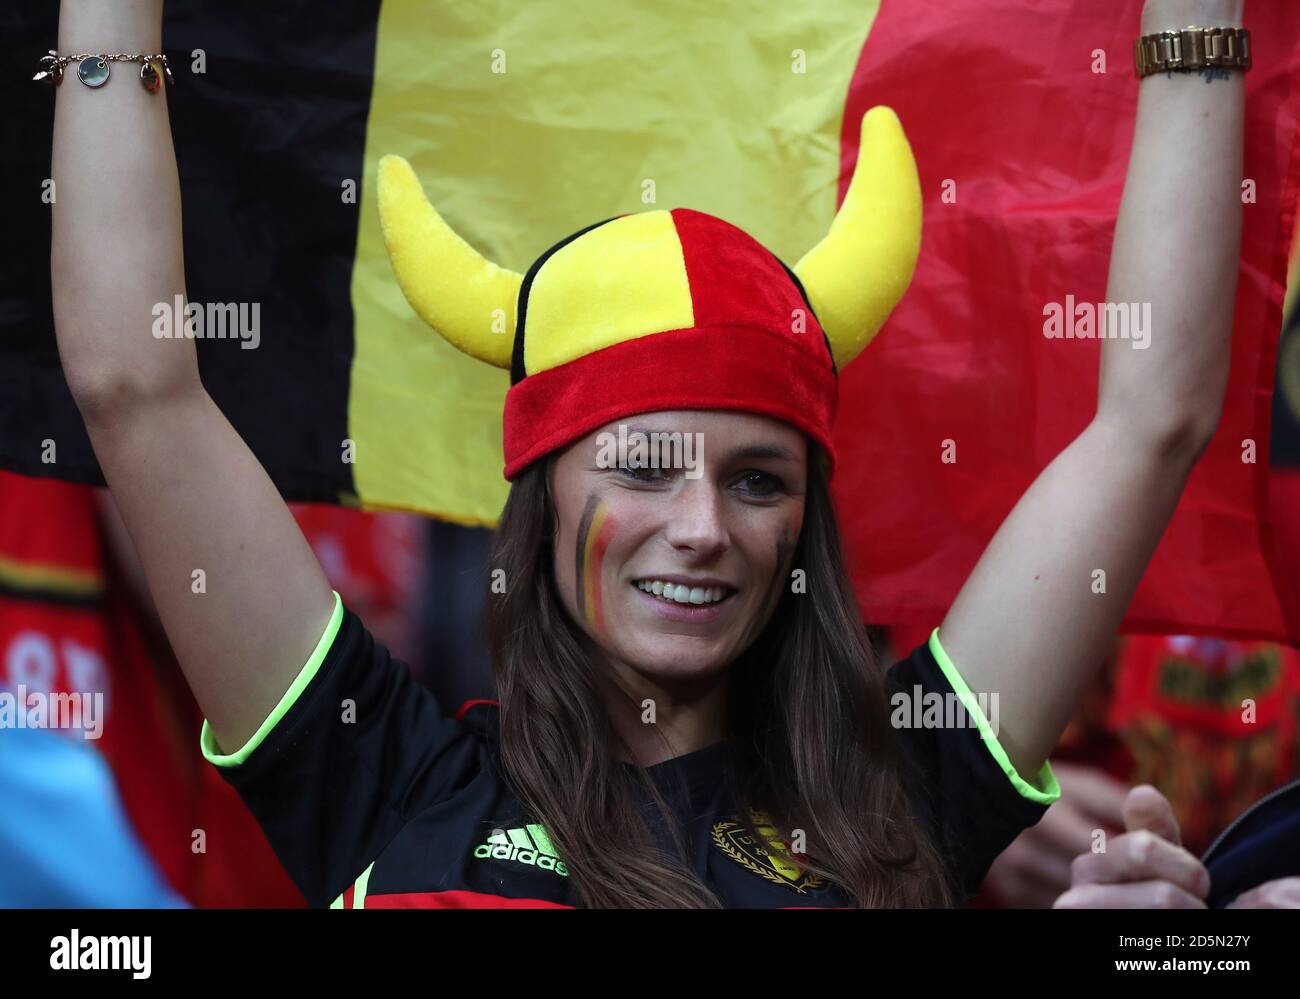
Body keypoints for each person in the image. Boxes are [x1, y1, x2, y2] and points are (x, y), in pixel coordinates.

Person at [45, 0, 1248, 907]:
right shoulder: (385, 775)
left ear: (800, 530)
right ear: (544, 495)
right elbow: (135, 386)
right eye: (640, 465)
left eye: (756, 480)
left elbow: (1151, 419)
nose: (702, 527)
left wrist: (1202, 22)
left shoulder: (903, 780)